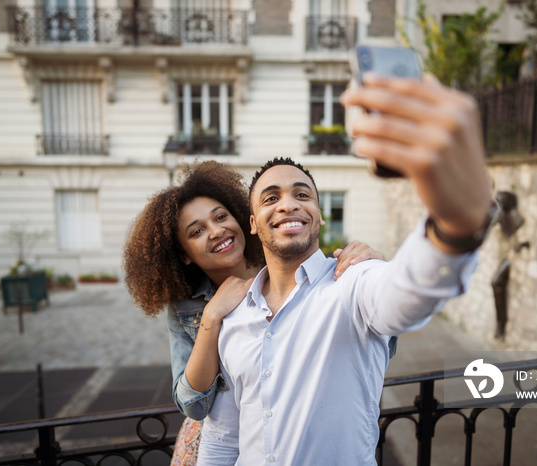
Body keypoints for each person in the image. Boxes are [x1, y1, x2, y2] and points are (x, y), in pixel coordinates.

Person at [197, 73, 494, 465]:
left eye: (302, 195)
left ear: (319, 217)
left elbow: (407, 294)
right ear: (253, 223)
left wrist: (455, 227)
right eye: (271, 198)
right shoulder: (234, 317)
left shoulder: (353, 282)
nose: (288, 205)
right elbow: (223, 437)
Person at [122, 161, 385, 465]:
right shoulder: (187, 307)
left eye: (221, 217)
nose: (217, 231)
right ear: (184, 254)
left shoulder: (280, 261)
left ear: (244, 221)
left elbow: (377, 333)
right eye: (197, 231)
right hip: (222, 437)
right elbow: (192, 403)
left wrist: (370, 265)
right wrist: (212, 317)